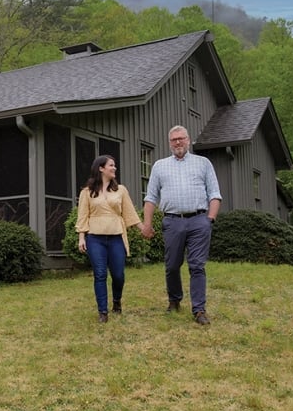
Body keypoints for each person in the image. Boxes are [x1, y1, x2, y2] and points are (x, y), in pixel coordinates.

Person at [140, 126, 222, 325]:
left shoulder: (203, 163)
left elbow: (214, 193)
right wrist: (147, 224)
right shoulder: (160, 166)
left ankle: (199, 310)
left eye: (181, 139)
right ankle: (174, 301)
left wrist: (209, 219)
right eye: (174, 139)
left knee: (197, 266)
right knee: (172, 265)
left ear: (188, 140)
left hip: (198, 220)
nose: (178, 142)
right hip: (172, 221)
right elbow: (151, 198)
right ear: (169, 143)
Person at [76, 155, 142, 323]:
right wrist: (81, 238)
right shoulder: (86, 192)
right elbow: (83, 216)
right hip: (95, 239)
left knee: (118, 275)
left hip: (116, 238)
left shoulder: (121, 190)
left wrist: (144, 229)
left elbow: (129, 213)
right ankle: (103, 312)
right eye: (111, 165)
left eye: (114, 166)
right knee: (100, 274)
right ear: (101, 168)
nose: (114, 168)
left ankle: (117, 301)